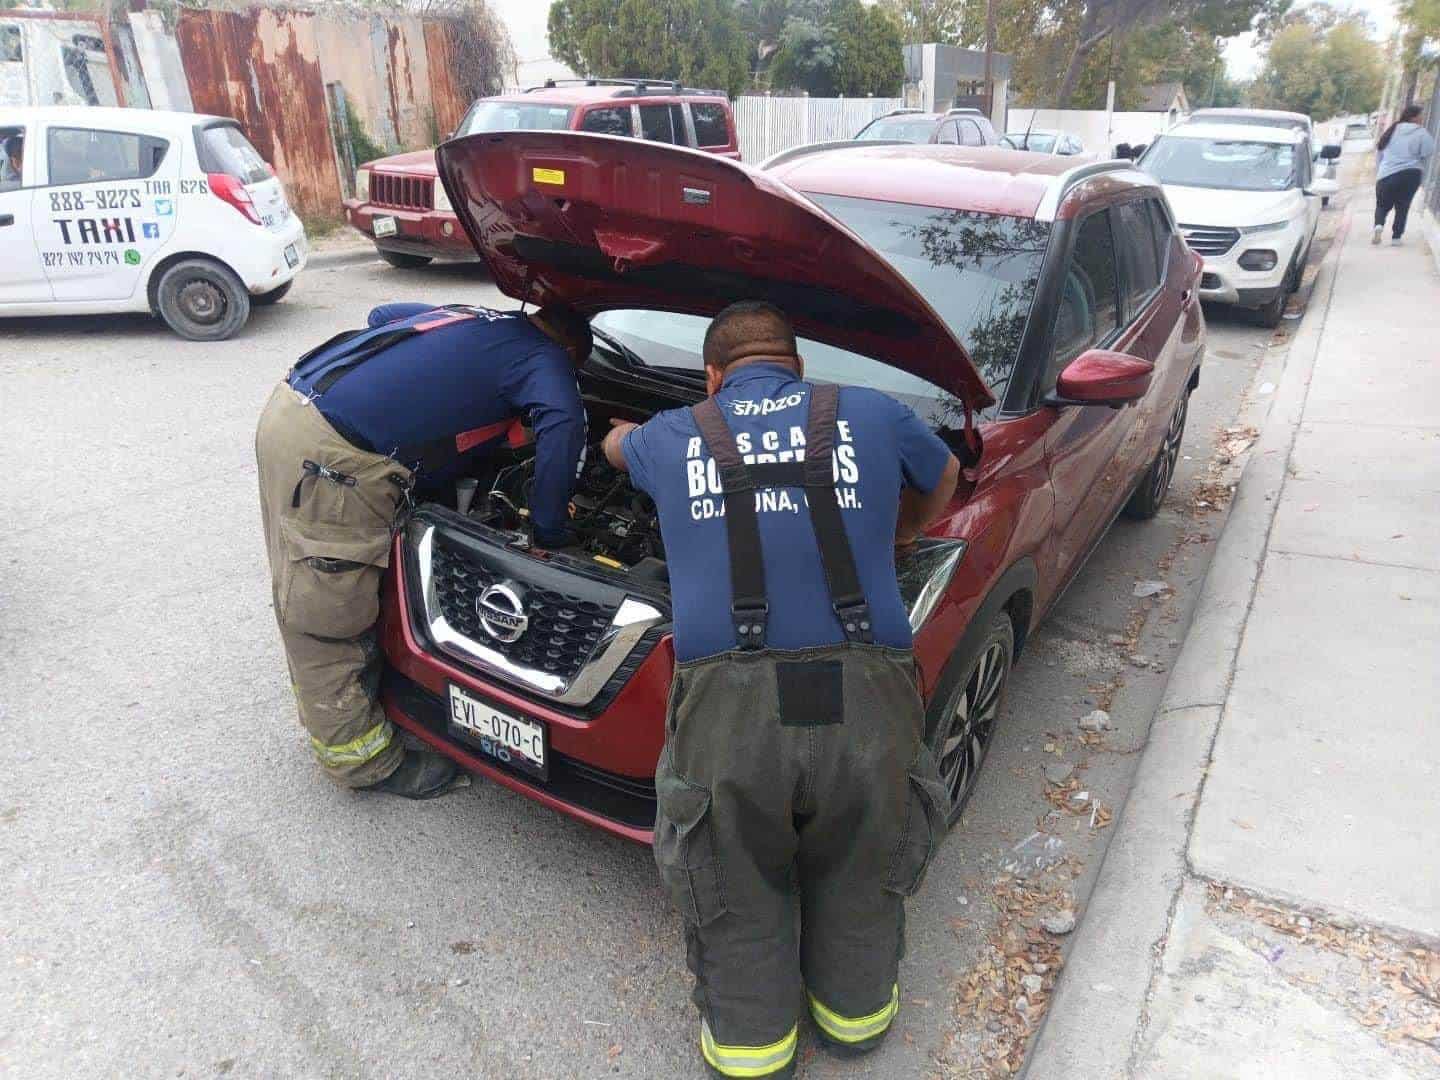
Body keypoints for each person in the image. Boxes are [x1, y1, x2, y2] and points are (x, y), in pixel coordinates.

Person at [602, 301, 961, 1079]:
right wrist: (901, 533)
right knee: (865, 849)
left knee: (731, 865)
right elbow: (946, 475)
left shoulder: (673, 432)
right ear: (797, 367)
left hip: (729, 705)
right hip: (867, 687)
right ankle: (857, 1020)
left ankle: (752, 1049)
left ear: (713, 376)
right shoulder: (871, 412)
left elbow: (615, 446)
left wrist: (622, 432)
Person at [255, 300, 592, 798]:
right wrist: (549, 530)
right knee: (327, 612)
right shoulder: (545, 358)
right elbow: (563, 424)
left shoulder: (473, 315)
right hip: (332, 461)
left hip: (296, 408)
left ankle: (379, 694)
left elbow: (380, 315)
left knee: (329, 583)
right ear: (567, 351)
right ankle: (366, 762)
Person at [1373, 104, 1434, 246]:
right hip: (1410, 174)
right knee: (1403, 206)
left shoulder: (1393, 129)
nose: (1422, 118)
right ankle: (1396, 237)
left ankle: (1378, 225)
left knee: (1382, 205)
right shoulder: (1421, 132)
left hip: (1386, 174)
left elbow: (1381, 149)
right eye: (1420, 115)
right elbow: (1428, 151)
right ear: (1413, 117)